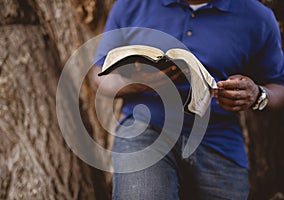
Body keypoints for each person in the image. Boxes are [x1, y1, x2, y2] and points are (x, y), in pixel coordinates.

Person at [92, 0, 284, 199]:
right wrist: (141, 82)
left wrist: (258, 95)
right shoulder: (131, 5)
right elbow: (100, 75)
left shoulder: (257, 16)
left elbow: (279, 87)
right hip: (146, 126)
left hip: (219, 139)